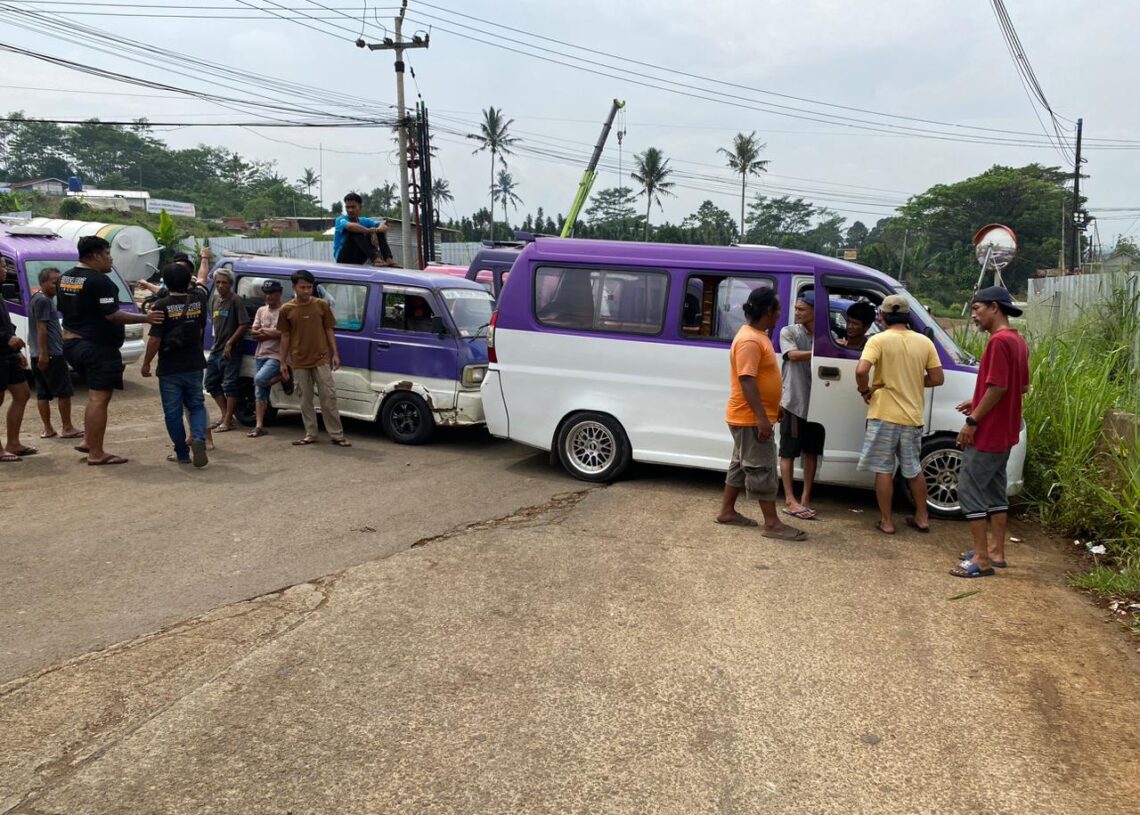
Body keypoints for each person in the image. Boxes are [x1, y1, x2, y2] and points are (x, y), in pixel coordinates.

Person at [59, 236, 162, 465]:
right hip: (96, 347)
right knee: (99, 399)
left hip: (72, 344)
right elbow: (112, 315)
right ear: (95, 256)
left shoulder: (66, 277)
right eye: (107, 253)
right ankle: (97, 453)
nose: (110, 258)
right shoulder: (100, 281)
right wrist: (146, 317)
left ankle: (88, 441)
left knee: (95, 397)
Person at [950, 287, 1030, 579]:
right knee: (996, 490)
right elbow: (1018, 386)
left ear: (994, 308)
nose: (974, 315)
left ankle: (981, 559)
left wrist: (972, 421)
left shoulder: (998, 342)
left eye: (978, 308)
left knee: (969, 489)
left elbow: (999, 387)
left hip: (989, 431)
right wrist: (978, 396)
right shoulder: (1018, 341)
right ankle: (997, 550)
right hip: (1006, 431)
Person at [716, 287, 806, 541]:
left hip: (751, 416)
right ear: (768, 311)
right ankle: (773, 524)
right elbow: (747, 379)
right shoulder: (749, 340)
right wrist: (761, 418)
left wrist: (771, 408)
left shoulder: (758, 335)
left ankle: (726, 511)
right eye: (778, 310)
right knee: (762, 467)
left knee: (740, 465)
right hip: (748, 418)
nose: (780, 314)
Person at [855, 295, 944, 534]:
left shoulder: (878, 341)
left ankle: (886, 521)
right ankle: (922, 517)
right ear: (907, 316)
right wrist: (915, 381)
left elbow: (861, 370)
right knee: (913, 469)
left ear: (882, 316)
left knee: (884, 469)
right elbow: (937, 378)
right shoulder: (924, 343)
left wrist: (865, 390)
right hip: (912, 416)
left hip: (883, 414)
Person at [140, 262, 209, 467]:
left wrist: (146, 364)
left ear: (166, 282)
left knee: (173, 413)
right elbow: (200, 328)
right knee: (196, 406)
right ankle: (198, 439)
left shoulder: (162, 306)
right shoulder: (199, 300)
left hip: (170, 368)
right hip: (195, 363)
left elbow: (154, 340)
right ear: (188, 280)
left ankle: (181, 453)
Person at [278, 269, 351, 447]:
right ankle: (311, 433)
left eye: (309, 287)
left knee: (329, 397)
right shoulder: (286, 309)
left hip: (321, 359)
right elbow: (285, 336)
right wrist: (282, 362)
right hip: (299, 361)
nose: (306, 291)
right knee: (305, 400)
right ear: (294, 287)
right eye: (302, 287)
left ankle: (337, 435)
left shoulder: (321, 305)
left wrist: (335, 354)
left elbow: (329, 330)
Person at [778, 290, 825, 520]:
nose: (796, 312)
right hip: (793, 401)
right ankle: (789, 498)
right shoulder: (788, 332)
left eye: (802, 309)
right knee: (787, 451)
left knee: (812, 452)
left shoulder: (827, 335)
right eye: (796, 308)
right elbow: (793, 356)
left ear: (816, 312)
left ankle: (805, 499)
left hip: (818, 402)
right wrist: (823, 353)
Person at [28, 267, 81, 440]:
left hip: (38, 353)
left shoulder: (36, 298)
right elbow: (41, 328)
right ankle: (67, 427)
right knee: (63, 391)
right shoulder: (44, 300)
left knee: (43, 393)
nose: (58, 285)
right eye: (54, 282)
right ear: (43, 283)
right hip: (50, 354)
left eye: (59, 281)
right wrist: (45, 353)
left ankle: (48, 428)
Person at [204, 268, 249, 432]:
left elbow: (244, 324)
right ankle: (225, 415)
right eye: (218, 282)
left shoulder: (235, 300)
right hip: (217, 348)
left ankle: (228, 419)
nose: (221, 285)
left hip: (231, 350)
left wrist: (230, 343)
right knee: (210, 383)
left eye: (224, 282)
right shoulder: (214, 300)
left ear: (230, 284)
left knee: (229, 385)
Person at [247, 278, 285, 438]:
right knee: (260, 393)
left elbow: (283, 334)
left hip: (277, 355)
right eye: (266, 293)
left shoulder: (284, 311)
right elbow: (253, 332)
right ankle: (259, 425)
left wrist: (265, 332)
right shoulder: (261, 310)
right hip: (261, 354)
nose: (268, 296)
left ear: (280, 293)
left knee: (259, 380)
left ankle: (283, 376)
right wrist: (271, 332)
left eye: (272, 293)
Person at [0, 293, 33, 462]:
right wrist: (6, 338)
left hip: (8, 354)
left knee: (22, 394)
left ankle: (13, 444)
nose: (5, 269)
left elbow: (7, 324)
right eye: (3, 265)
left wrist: (17, 351)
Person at [333, 192, 397, 267]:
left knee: (379, 230)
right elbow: (350, 227)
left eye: (353, 207)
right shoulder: (340, 219)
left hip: (359, 258)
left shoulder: (365, 220)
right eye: (347, 207)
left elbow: (384, 227)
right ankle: (376, 258)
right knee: (355, 230)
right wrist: (370, 231)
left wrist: (375, 231)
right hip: (343, 258)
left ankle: (388, 259)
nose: (350, 210)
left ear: (360, 207)